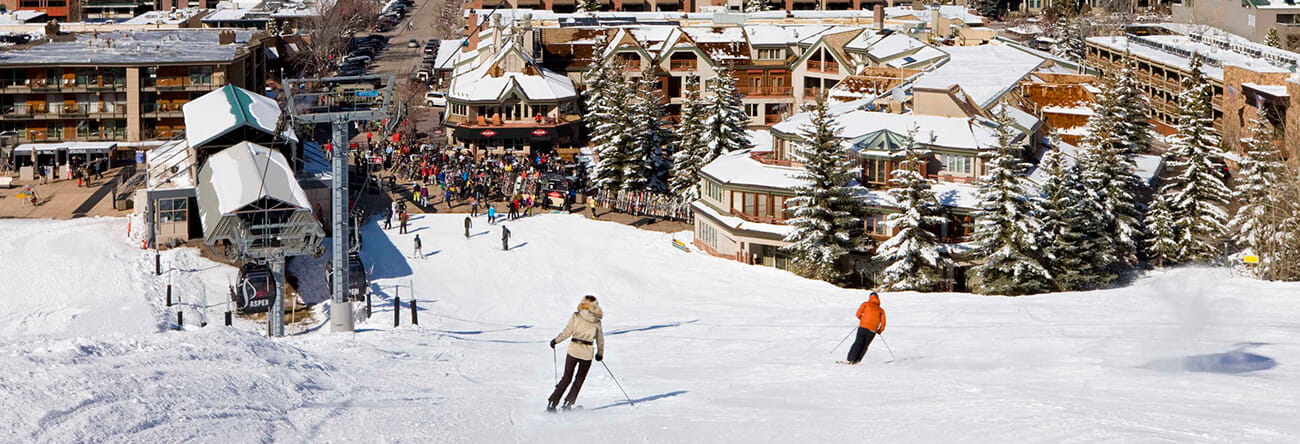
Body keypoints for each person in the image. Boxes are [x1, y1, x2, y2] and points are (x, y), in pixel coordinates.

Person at [547, 295, 605, 412]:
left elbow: (567, 332)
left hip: (573, 350)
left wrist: (556, 341)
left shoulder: (576, 316)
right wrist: (600, 353)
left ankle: (552, 403)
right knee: (579, 379)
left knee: (566, 378)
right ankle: (568, 404)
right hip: (587, 354)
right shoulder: (597, 322)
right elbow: (600, 340)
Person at [845, 292, 886, 365]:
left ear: (870, 297)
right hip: (872, 330)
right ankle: (856, 361)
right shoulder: (881, 310)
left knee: (858, 342)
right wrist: (879, 331)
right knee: (865, 345)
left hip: (863, 327)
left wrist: (863, 320)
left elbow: (858, 314)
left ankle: (850, 359)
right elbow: (883, 323)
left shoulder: (865, 304)